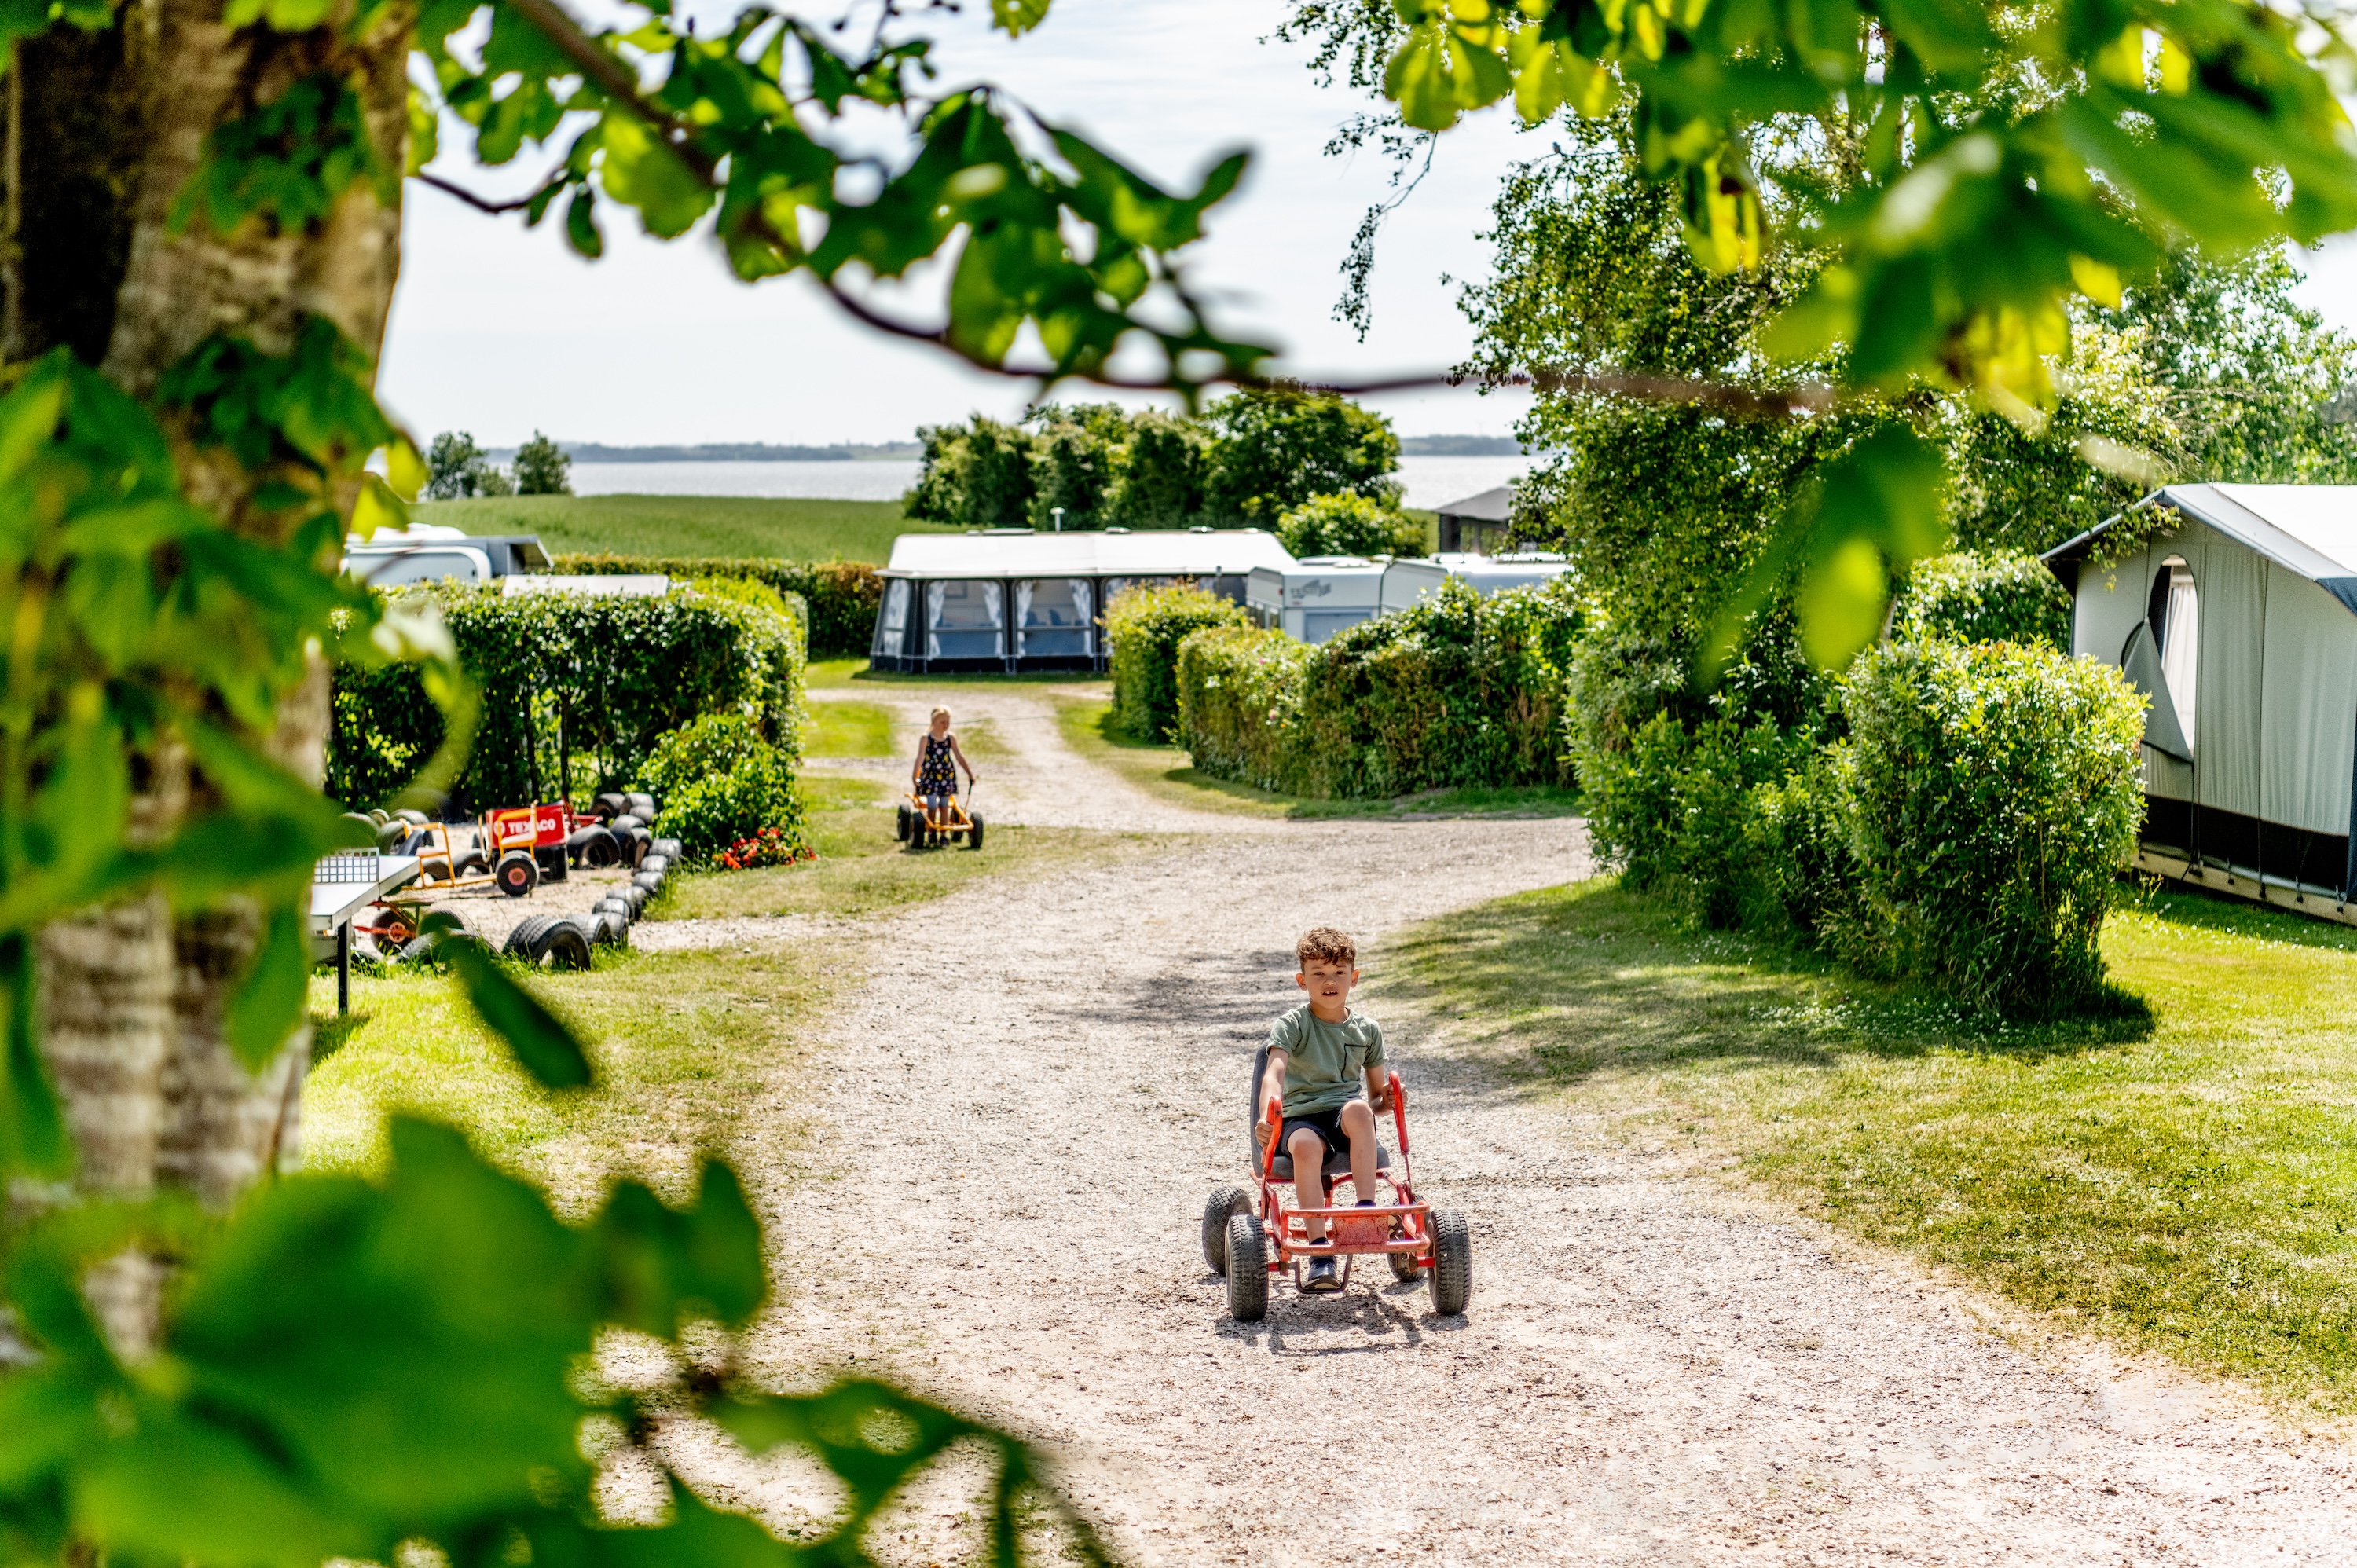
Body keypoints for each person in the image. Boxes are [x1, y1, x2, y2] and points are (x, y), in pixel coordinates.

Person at [1252, 925, 1391, 1294]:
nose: (1329, 981)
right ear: (1303, 981)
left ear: (1353, 978)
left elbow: (1376, 1101)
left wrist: (1389, 1100)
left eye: (1338, 972)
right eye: (1318, 973)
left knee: (1360, 1110)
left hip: (1343, 1117)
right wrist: (1267, 1115)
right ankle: (1319, 1252)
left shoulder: (1367, 1030)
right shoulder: (1293, 1025)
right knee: (1305, 1146)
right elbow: (1274, 1074)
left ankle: (1365, 1211)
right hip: (1300, 1117)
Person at [910, 705, 977, 828]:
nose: (945, 725)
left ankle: (943, 833)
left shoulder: (950, 738)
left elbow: (959, 756)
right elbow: (920, 757)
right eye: (942, 722)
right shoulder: (926, 738)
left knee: (944, 805)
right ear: (933, 721)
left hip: (946, 776)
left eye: (948, 722)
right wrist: (915, 776)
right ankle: (932, 831)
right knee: (932, 805)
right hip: (930, 776)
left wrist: (970, 773)